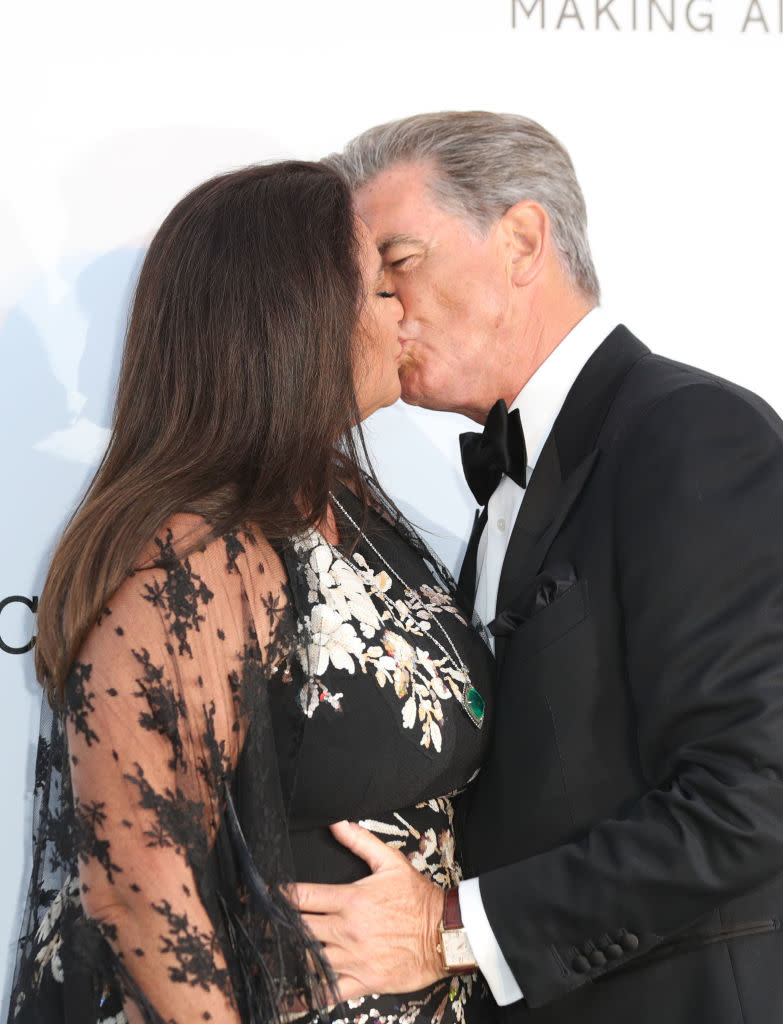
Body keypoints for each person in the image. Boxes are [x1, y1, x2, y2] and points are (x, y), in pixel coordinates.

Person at [291, 112, 783, 1023]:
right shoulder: (516, 471)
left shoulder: (690, 435)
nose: (382, 311)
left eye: (397, 264)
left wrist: (449, 928)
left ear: (520, 241)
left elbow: (754, 793)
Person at [8, 160, 494, 1024]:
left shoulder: (347, 497)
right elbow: (137, 894)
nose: (401, 311)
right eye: (378, 288)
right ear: (299, 320)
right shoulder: (190, 556)